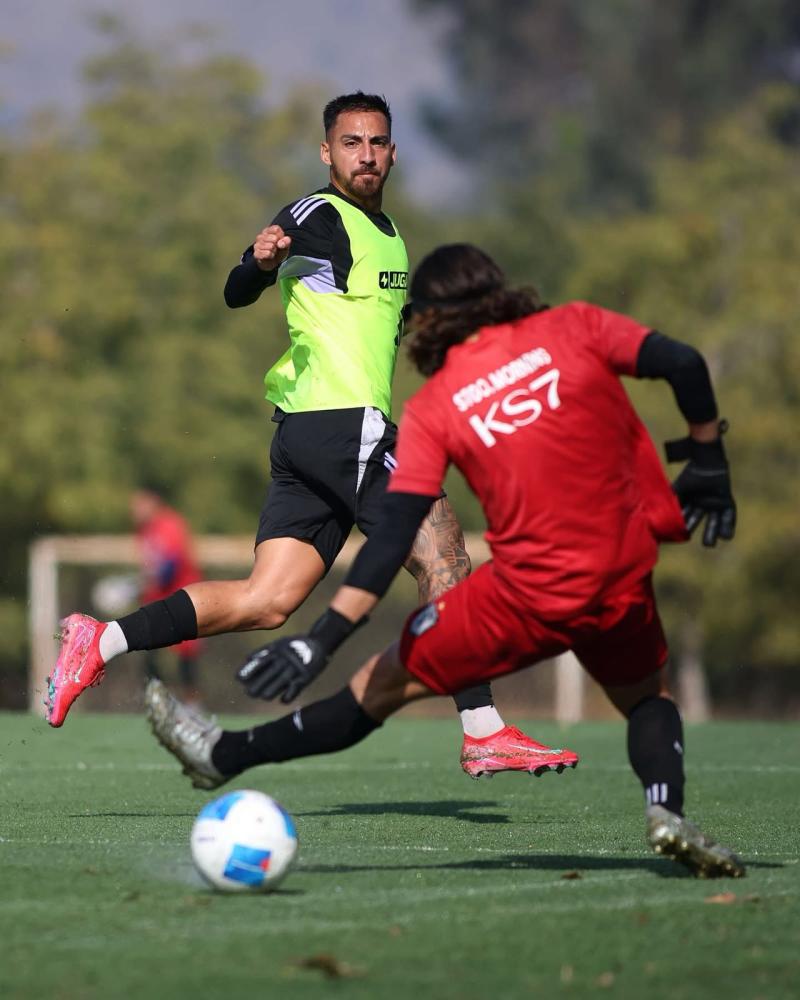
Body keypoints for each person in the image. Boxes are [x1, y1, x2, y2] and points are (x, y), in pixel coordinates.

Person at [147, 243, 743, 878]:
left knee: (380, 685)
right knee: (648, 698)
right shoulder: (577, 326)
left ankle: (223, 753)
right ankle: (666, 810)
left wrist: (320, 641)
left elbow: (393, 535)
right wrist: (708, 460)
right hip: (621, 575)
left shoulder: (437, 407)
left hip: (526, 597)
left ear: (425, 318)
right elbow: (683, 363)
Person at [45, 94, 574, 781]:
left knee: (267, 599)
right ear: (327, 152)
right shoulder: (318, 215)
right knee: (441, 547)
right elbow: (239, 287)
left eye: (377, 142)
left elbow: (382, 321)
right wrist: (261, 263)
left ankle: (101, 637)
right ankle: (484, 729)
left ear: (392, 152)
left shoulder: (388, 234)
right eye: (350, 142)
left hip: (312, 436)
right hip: (342, 425)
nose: (366, 154)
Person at [130, 488, 204, 705]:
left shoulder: (169, 524)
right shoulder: (143, 530)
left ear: (153, 501)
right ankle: (157, 702)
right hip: (157, 597)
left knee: (186, 654)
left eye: (139, 504)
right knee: (147, 647)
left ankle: (192, 703)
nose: (135, 510)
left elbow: (171, 566)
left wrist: (136, 586)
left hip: (180, 594)